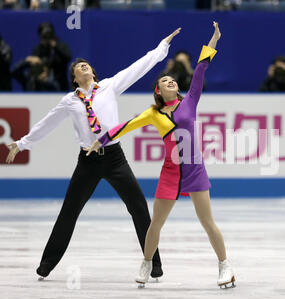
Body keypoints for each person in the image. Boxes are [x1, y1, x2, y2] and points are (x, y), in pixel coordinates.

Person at [6, 28, 181, 281]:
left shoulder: (109, 87)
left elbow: (137, 68)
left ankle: (154, 264)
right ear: (74, 78)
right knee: (69, 212)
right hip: (87, 161)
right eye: (78, 67)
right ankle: (46, 266)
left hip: (114, 157)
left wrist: (161, 48)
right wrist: (22, 143)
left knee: (139, 208)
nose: (83, 66)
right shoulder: (70, 100)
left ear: (93, 72)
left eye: (86, 64)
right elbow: (47, 123)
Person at [87, 22, 236, 289]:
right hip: (170, 173)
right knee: (156, 223)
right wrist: (101, 140)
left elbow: (201, 67)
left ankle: (225, 266)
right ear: (158, 91)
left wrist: (214, 39)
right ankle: (146, 262)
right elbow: (126, 126)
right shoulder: (153, 114)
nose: (171, 81)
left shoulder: (190, 99)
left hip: (194, 169)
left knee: (207, 222)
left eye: (172, 80)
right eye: (165, 81)